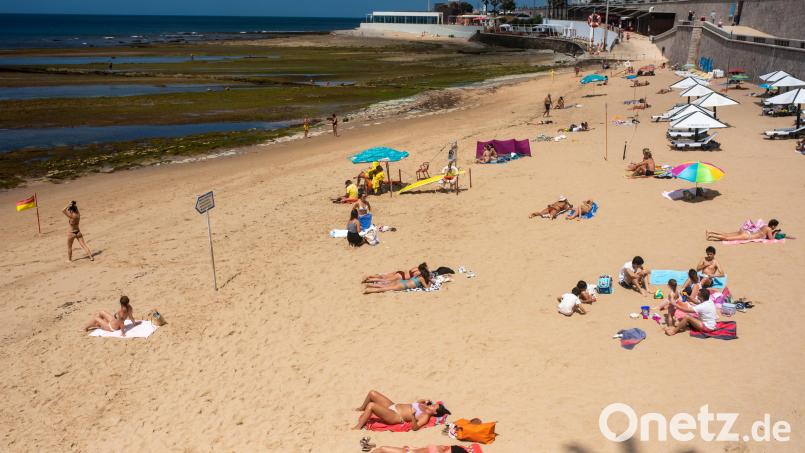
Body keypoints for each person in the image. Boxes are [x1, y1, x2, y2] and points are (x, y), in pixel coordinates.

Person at [351, 389, 450, 430]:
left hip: (395, 416)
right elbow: (414, 404)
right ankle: (361, 408)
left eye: (434, 406)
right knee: (372, 393)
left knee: (372, 405)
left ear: (435, 412)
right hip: (393, 406)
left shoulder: (425, 416)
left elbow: (415, 428)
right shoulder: (425, 405)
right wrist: (422, 400)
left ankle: (358, 427)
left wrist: (412, 416)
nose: (432, 405)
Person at [364, 263, 432, 294]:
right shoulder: (420, 276)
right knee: (385, 284)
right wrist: (429, 281)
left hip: (401, 277)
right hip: (402, 281)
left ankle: (370, 282)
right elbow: (426, 287)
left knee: (384, 277)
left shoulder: (416, 271)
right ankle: (370, 289)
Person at [707, 219, 779, 241]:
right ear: (773, 225)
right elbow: (771, 239)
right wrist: (775, 233)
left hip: (747, 231)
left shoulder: (764, 225)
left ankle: (710, 231)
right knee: (727, 238)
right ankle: (711, 236)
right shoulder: (769, 229)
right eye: (775, 226)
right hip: (747, 236)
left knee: (727, 234)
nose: (775, 228)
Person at [362, 263, 427, 284]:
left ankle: (369, 276)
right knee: (385, 280)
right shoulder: (418, 272)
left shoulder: (416, 267)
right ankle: (368, 280)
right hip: (401, 276)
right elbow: (415, 279)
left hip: (400, 272)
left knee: (384, 276)